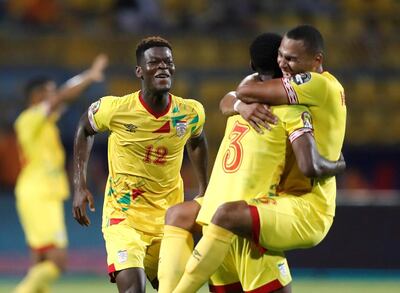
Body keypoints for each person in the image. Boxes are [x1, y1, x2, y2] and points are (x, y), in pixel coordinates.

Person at [171, 24, 346, 293]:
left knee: (227, 215)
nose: (284, 64)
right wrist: (240, 104)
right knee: (187, 214)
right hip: (277, 199)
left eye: (291, 58)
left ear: (317, 60)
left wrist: (338, 166)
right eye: (281, 56)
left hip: (308, 204)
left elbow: (244, 91)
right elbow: (234, 96)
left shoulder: (315, 86)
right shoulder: (295, 99)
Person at [72, 36, 209, 293]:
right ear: (140, 71)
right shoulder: (115, 109)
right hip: (124, 217)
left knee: (175, 289)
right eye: (154, 62)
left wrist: (204, 190)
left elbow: (198, 140)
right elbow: (84, 128)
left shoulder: (190, 112)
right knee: (134, 289)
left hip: (169, 220)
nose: (162, 67)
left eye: (168, 62)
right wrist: (80, 185)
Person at [13, 54, 109, 293]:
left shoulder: (43, 122)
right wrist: (90, 75)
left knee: (41, 259)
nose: (55, 96)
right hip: (38, 193)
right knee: (58, 261)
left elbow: (65, 97)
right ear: (38, 97)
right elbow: (64, 95)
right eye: (50, 92)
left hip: (41, 193)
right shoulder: (29, 119)